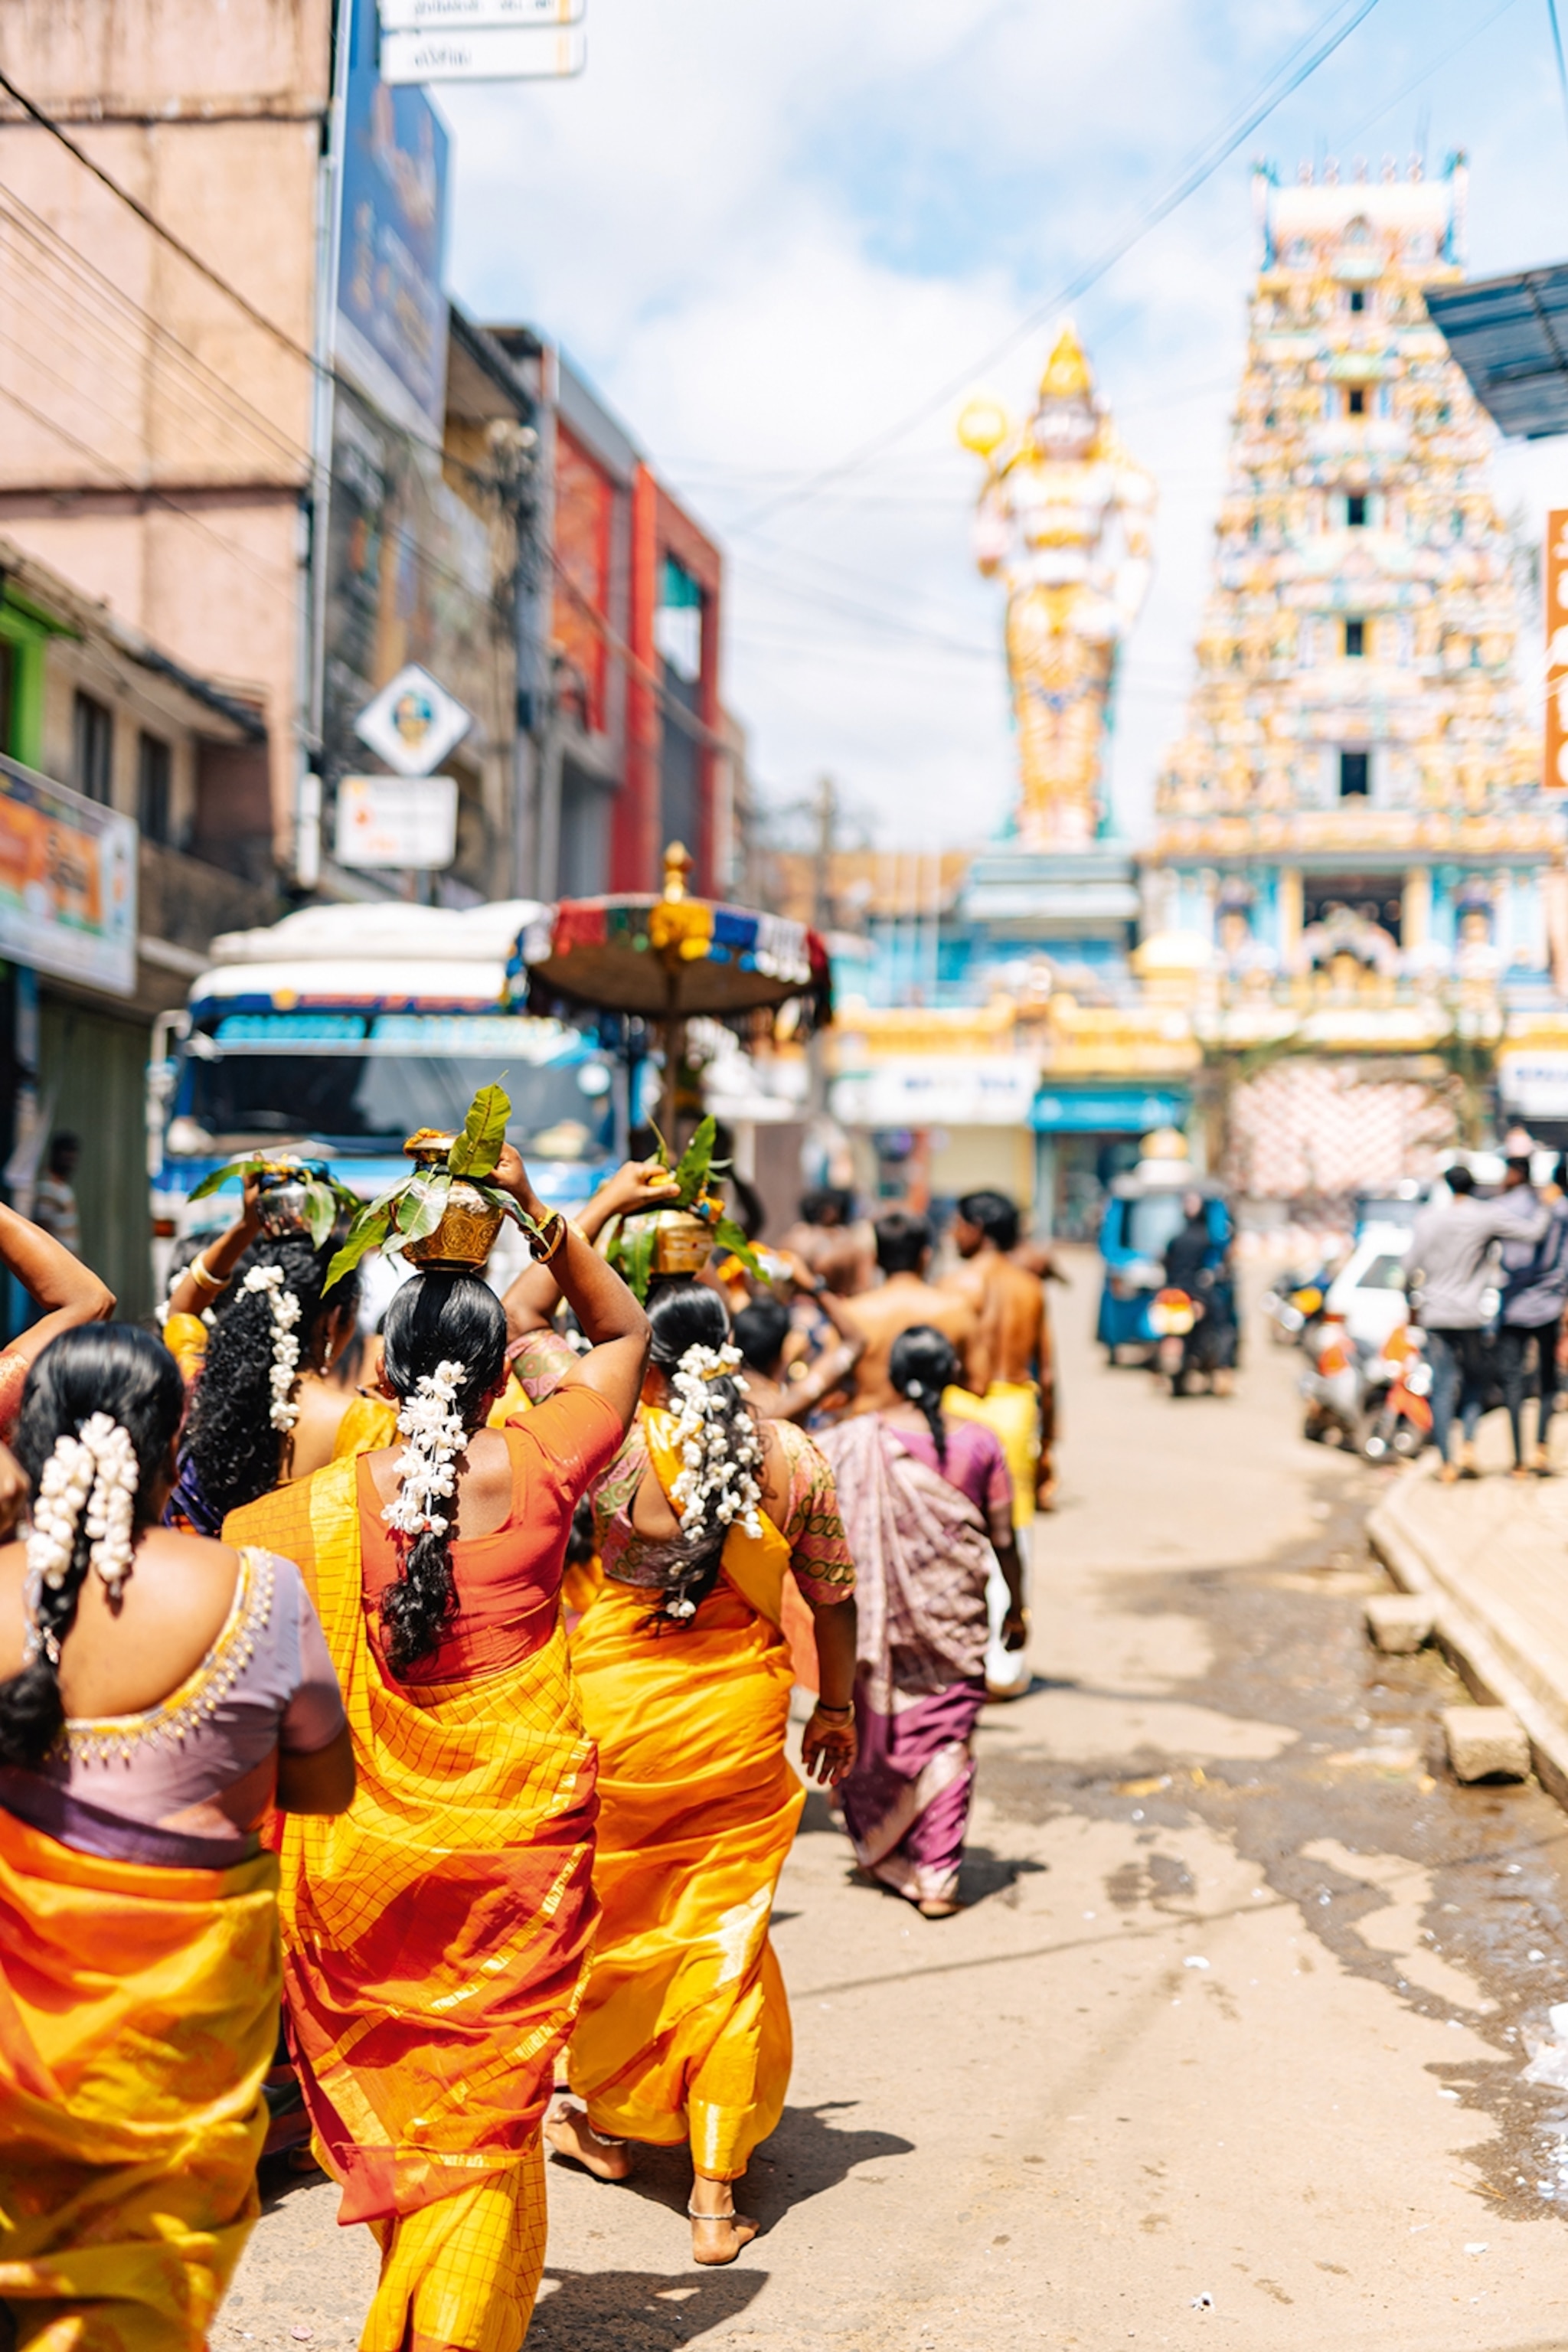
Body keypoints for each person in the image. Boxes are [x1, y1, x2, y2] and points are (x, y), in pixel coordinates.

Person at [224, 1146, 648, 2352]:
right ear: (493, 1378)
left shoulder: (286, 1524)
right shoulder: (547, 1461)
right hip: (518, 1865)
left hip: (366, 1874)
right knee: (495, 2103)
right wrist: (538, 1210)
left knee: (414, 2103)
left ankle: (421, 2309)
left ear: (380, 1368)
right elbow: (621, 1338)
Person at [0, 1325, 354, 2349]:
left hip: (17, 2034)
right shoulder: (256, 1589)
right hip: (183, 2032)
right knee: (140, 2297)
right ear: (172, 1449)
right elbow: (325, 1790)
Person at [544, 1284, 858, 2266]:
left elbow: (520, 1335)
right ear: (730, 1349)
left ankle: (606, 2127)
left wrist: (572, 1222)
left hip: (617, 1728)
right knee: (726, 1948)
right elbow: (833, 1600)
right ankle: (714, 2195)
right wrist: (838, 1708)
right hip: (734, 1731)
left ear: (649, 1361)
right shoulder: (793, 1457)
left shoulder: (611, 1447)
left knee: (618, 1932)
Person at [820, 1325, 1026, 1919]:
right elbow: (1005, 1538)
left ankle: (894, 1848)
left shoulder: (861, 1438)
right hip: (955, 1616)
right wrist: (1017, 1604)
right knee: (949, 1737)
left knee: (885, 1729)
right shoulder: (982, 1443)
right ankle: (937, 1874)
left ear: (893, 1374)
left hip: (878, 1616)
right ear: (953, 1370)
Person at [171, 1214, 364, 1531]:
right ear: (333, 1320)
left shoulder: (208, 1386)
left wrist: (245, 1227)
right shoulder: (363, 1421)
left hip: (224, 1575)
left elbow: (181, 1310)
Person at [1408, 1162, 1548, 1482]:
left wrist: (1411, 1301)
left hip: (1435, 1314)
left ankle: (1447, 1462)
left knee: (1442, 1386)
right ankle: (1468, 1446)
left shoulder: (1428, 1219)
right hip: (1470, 1315)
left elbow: (1408, 1266)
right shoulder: (1486, 1214)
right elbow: (1534, 1234)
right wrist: (1546, 1203)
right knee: (1474, 1382)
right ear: (1473, 1186)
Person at [942, 1188, 1055, 1514]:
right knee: (1014, 1518)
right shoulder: (1031, 1287)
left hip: (960, 1407)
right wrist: (1046, 1443)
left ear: (977, 1228)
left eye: (959, 1225)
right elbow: (1046, 1376)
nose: (954, 1234)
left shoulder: (951, 1285)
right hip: (1015, 1411)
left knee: (959, 1517)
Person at [839, 1210, 982, 1414]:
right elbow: (977, 1384)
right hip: (932, 1435)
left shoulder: (850, 1313)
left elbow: (834, 1387)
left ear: (876, 1259)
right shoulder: (955, 1309)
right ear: (925, 1257)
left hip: (870, 1433)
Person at [1496, 1142, 1568, 1476]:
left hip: (1512, 1305)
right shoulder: (1555, 1209)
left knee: (1513, 1383)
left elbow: (1506, 1260)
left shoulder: (1502, 1208)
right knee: (1547, 1382)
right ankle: (1540, 1449)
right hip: (1548, 1305)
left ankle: (1518, 1459)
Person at [732, 1266, 865, 1423]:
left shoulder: (711, 1393)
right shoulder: (784, 1406)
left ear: (731, 1341)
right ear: (784, 1350)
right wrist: (814, 1286)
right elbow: (855, 1342)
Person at [779, 1186, 874, 1298]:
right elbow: (862, 1291)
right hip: (835, 1310)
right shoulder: (848, 1246)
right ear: (829, 1212)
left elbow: (777, 1288)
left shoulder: (789, 1240)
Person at [31, 1131, 82, 1256]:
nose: (70, 1159)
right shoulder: (48, 1188)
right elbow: (43, 1232)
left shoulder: (62, 1188)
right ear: (55, 1154)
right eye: (66, 1152)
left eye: (73, 1153)